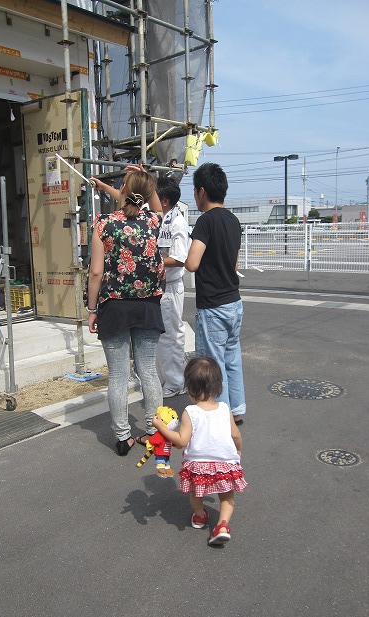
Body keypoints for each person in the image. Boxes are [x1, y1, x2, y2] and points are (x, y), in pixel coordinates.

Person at [87, 166, 165, 456]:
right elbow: (155, 205)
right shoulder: (153, 221)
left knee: (118, 375)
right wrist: (146, 179)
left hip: (114, 307)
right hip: (148, 306)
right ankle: (155, 433)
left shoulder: (103, 224)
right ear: (146, 193)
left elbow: (96, 273)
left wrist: (91, 309)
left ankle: (122, 437)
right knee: (148, 371)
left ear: (122, 190)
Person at [153, 356, 247, 546]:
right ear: (218, 386)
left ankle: (199, 516)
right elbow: (235, 435)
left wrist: (161, 427)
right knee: (227, 496)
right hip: (225, 463)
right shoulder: (224, 409)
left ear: (190, 388)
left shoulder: (190, 412)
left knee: (196, 494)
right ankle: (222, 525)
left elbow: (182, 440)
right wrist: (238, 450)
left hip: (198, 465)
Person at [185, 162, 246, 426]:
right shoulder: (233, 220)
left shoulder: (205, 221)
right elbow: (234, 263)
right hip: (234, 302)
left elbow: (192, 263)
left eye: (194, 191)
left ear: (201, 191)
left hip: (212, 306)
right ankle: (236, 410)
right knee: (232, 359)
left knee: (212, 364)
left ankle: (221, 418)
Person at [156, 176, 190, 397]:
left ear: (165, 200)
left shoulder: (176, 222)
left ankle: (175, 382)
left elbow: (179, 258)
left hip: (170, 286)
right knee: (162, 336)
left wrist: (151, 261)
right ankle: (166, 379)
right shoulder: (160, 218)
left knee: (171, 335)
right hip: (160, 286)